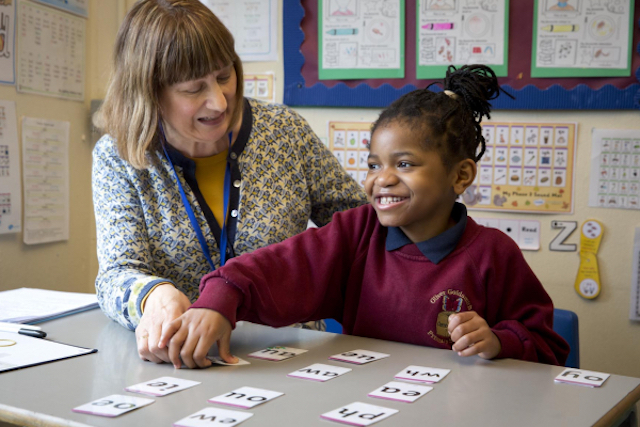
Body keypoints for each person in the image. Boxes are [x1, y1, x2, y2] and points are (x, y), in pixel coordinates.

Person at [159, 64, 570, 369]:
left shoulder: (493, 253)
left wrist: (499, 341)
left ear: (460, 175)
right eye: (374, 165)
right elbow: (278, 267)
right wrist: (219, 298)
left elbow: (547, 346)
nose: (382, 180)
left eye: (405, 164)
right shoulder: (357, 233)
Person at [92, 0, 367, 365]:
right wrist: (154, 296)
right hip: (183, 360)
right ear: (150, 92)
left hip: (289, 354)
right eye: (194, 89)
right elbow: (116, 273)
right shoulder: (119, 155)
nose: (219, 102)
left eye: (224, 77)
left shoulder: (283, 132)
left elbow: (363, 231)